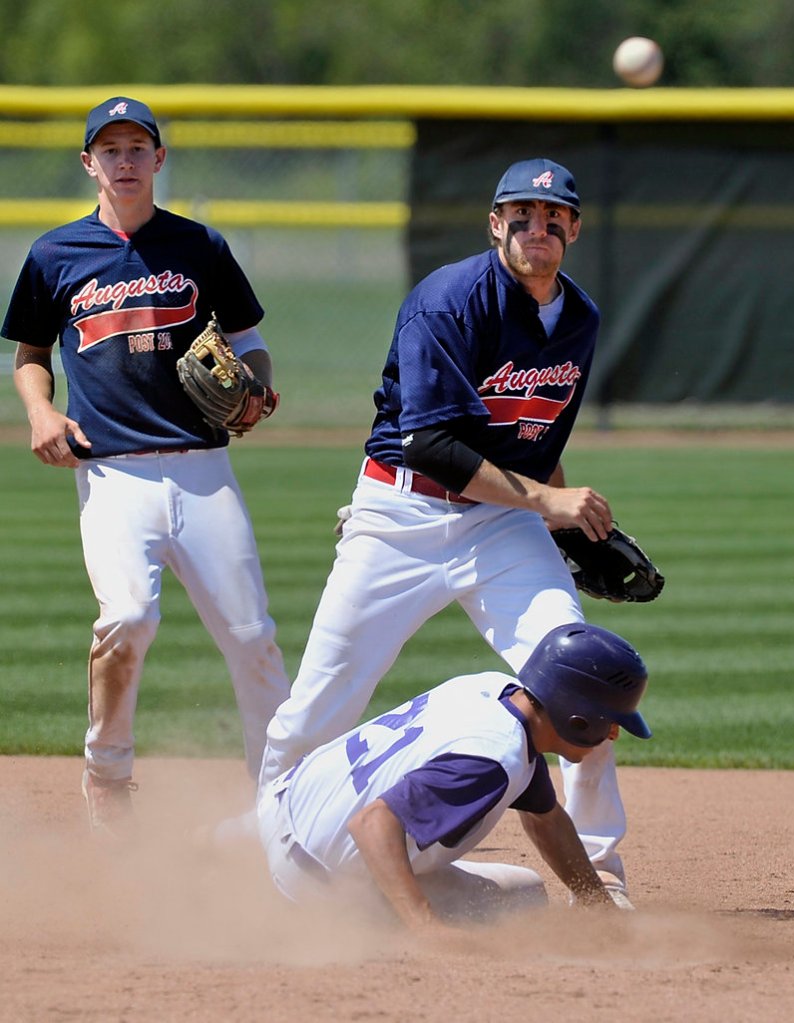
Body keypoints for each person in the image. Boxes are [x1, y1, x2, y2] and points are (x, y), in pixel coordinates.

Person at [259, 156, 634, 900]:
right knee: (315, 709)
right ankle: (257, 853)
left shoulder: (581, 318)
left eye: (553, 217)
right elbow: (432, 445)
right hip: (400, 513)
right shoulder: (447, 302)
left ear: (575, 230)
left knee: (581, 679)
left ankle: (601, 877)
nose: (538, 228)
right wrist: (547, 503)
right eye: (521, 215)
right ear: (496, 225)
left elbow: (537, 441)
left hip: (503, 524)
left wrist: (561, 521)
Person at [1, 97, 290, 840]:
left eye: (137, 147)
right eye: (110, 148)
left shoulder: (198, 246)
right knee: (128, 617)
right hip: (112, 475)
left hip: (203, 470)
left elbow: (250, 340)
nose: (124, 161)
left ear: (159, 159)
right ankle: (106, 771)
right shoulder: (54, 255)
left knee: (253, 634)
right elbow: (30, 357)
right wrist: (40, 412)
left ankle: (279, 795)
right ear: (88, 162)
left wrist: (254, 387)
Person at [257, 623, 652, 931]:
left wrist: (595, 902)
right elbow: (372, 823)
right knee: (523, 895)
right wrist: (426, 926)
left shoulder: (492, 692)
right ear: (578, 718)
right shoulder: (492, 761)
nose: (613, 735)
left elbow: (546, 819)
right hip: (315, 887)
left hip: (270, 817)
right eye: (612, 724)